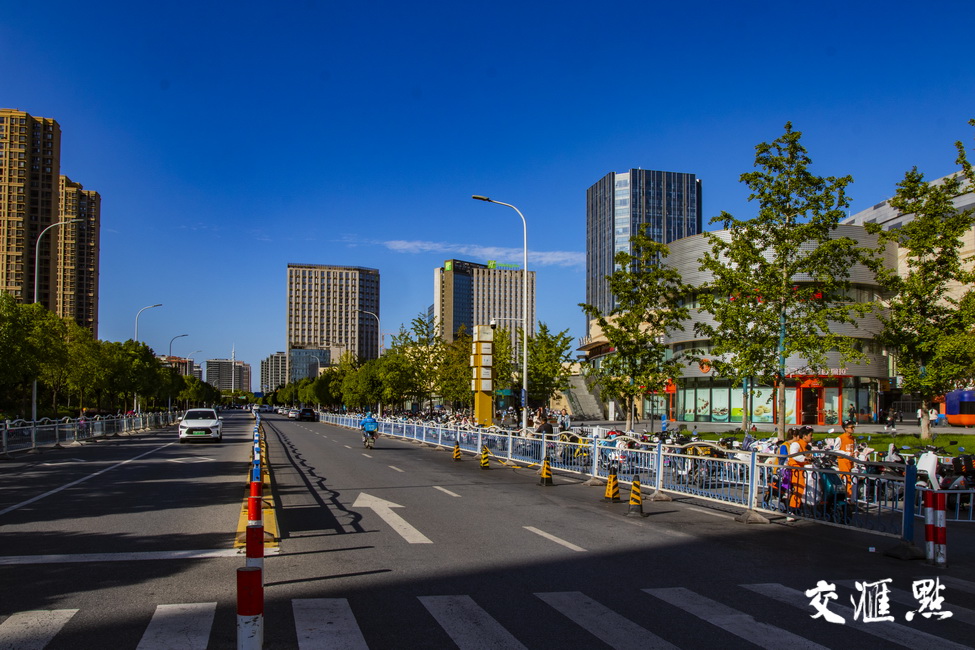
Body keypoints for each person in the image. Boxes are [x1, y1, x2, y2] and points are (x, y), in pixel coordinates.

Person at [787, 426, 814, 520]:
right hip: (796, 470)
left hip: (804, 470)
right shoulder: (796, 444)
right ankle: (792, 510)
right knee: (798, 489)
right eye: (810, 435)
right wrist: (805, 459)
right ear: (804, 436)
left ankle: (800, 508)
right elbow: (794, 455)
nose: (812, 437)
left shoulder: (808, 446)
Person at [835, 420, 856, 497]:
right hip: (843, 461)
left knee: (851, 479)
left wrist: (856, 452)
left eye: (853, 427)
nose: (852, 429)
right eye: (851, 427)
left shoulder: (853, 438)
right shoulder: (840, 438)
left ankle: (850, 496)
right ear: (846, 429)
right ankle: (848, 496)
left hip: (851, 462)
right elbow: (835, 450)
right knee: (847, 479)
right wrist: (847, 453)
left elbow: (854, 448)